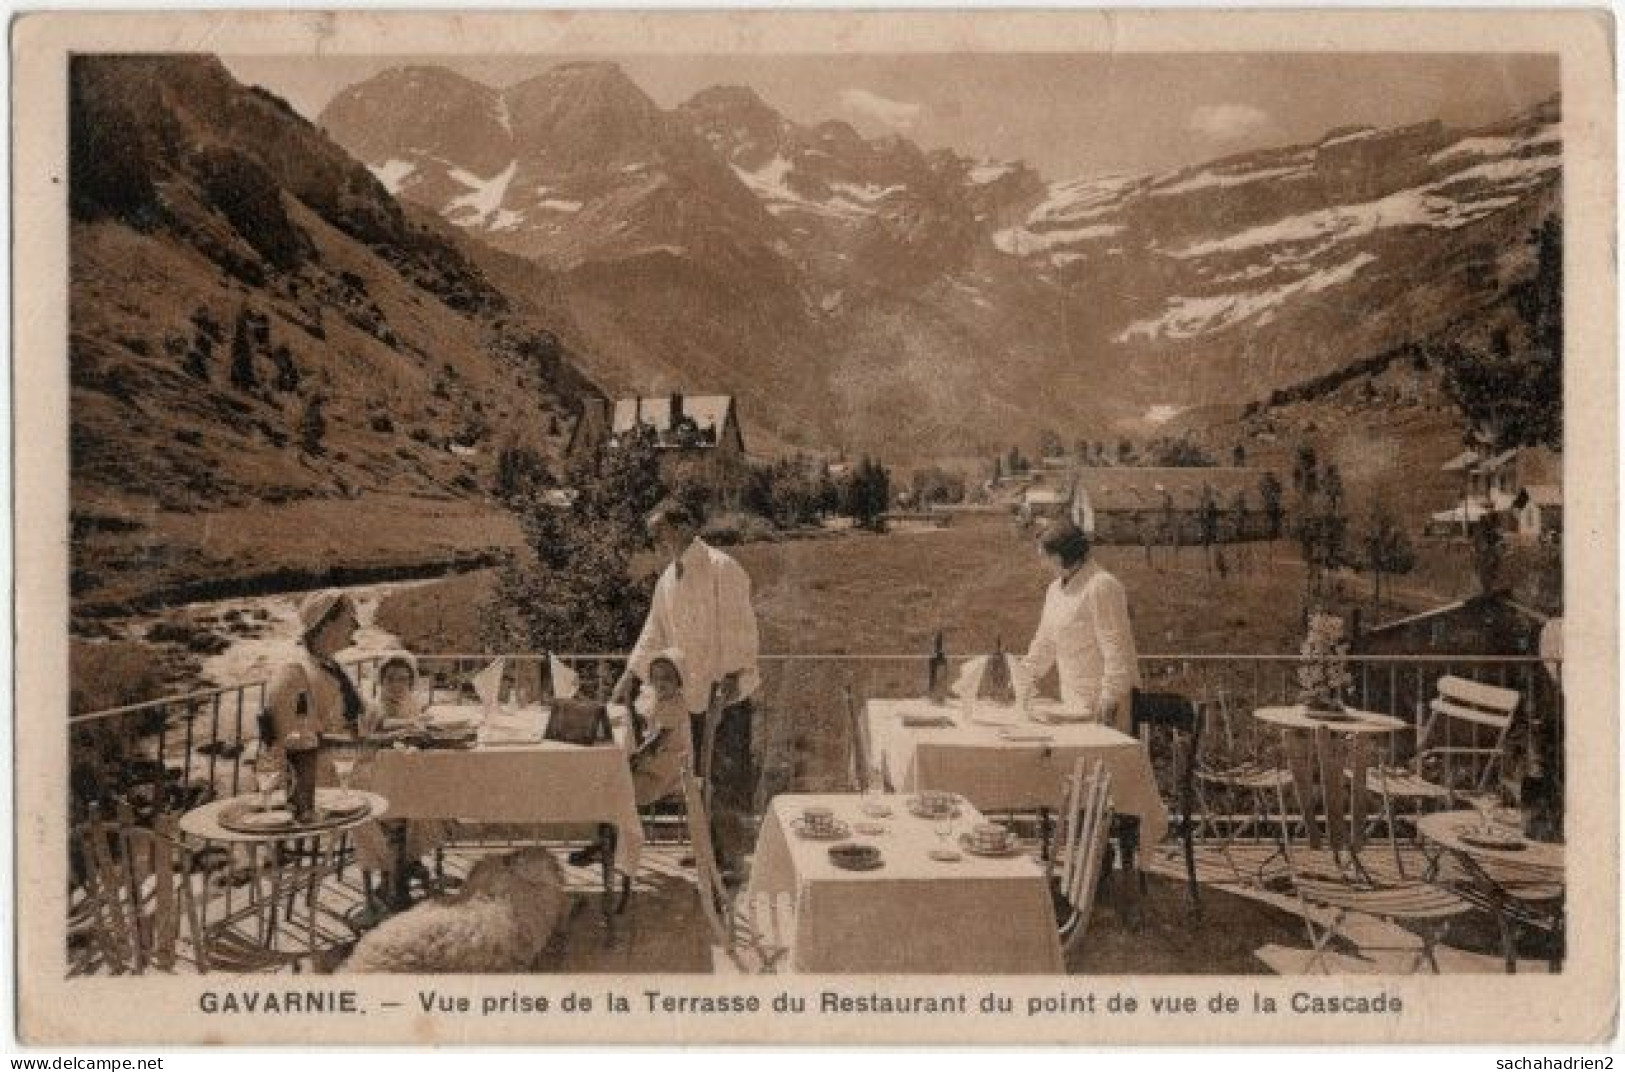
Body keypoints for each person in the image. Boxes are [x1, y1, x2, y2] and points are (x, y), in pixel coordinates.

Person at [613, 500, 760, 879]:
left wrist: (730, 678)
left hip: (723, 695)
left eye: (659, 532)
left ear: (681, 527)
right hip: (690, 697)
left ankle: (731, 861)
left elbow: (739, 627)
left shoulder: (721, 569)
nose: (656, 541)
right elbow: (654, 630)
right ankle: (707, 852)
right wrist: (630, 674)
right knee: (698, 778)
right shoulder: (668, 579)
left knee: (726, 778)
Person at [1018, 519, 1141, 732]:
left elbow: (1116, 649)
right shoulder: (1055, 590)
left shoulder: (1102, 586)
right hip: (1071, 704)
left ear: (1059, 557)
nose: (1042, 564)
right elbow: (1045, 643)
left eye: (1044, 557)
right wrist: (1022, 678)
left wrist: (1109, 698)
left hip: (1104, 707)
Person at [351, 652, 447, 904]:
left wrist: (417, 725)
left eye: (403, 680)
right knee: (398, 806)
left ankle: (409, 860)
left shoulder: (410, 703)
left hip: (398, 771)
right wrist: (410, 726)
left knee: (425, 793)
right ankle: (392, 874)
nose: (397, 685)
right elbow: (381, 726)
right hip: (372, 772)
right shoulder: (374, 706)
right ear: (381, 681)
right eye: (391, 679)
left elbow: (410, 724)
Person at [261, 590, 365, 779]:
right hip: (315, 780)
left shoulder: (334, 667)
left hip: (347, 767)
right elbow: (296, 743)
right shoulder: (293, 673)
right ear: (325, 624)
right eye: (350, 619)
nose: (357, 626)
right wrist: (368, 746)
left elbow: (353, 722)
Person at [626, 649, 694, 806]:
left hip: (670, 770)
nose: (661, 683)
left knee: (627, 786)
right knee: (625, 777)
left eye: (667, 678)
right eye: (656, 678)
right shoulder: (659, 701)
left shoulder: (675, 706)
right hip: (658, 761)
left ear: (679, 681)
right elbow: (648, 726)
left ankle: (624, 824)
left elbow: (658, 741)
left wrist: (637, 757)